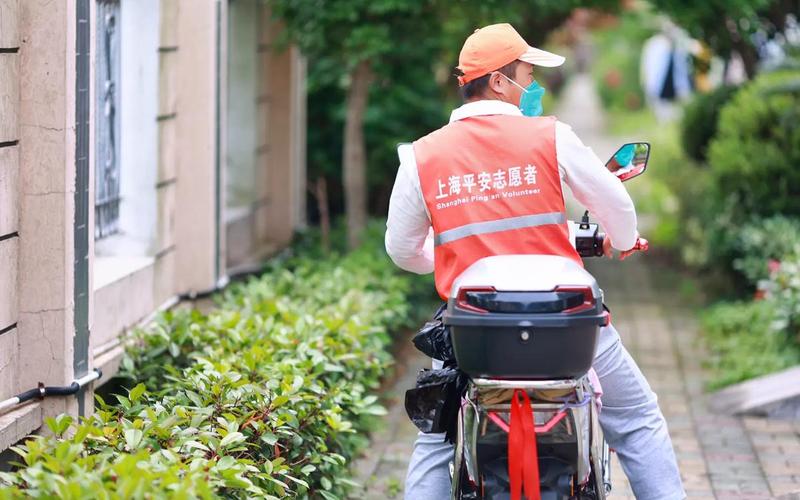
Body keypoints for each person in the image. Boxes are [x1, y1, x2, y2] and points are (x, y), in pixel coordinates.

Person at [385, 23, 685, 499]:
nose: (535, 86)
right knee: (635, 417)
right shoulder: (550, 136)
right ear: (500, 81)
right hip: (564, 328)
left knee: (439, 432)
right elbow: (618, 209)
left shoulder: (421, 157)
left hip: (478, 333)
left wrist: (448, 260)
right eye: (527, 72)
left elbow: (402, 250)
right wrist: (621, 240)